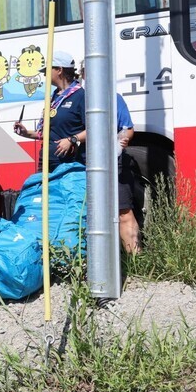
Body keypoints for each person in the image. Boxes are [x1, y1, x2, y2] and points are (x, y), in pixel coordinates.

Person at [78, 60, 140, 254]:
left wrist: (122, 140)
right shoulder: (78, 99)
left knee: (123, 211)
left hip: (112, 163)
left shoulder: (114, 98)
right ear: (82, 74)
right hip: (81, 163)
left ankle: (136, 261)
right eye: (88, 71)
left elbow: (127, 129)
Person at [13, 51, 85, 170]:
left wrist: (72, 140)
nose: (45, 75)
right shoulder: (55, 96)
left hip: (68, 163)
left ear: (59, 70)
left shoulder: (80, 95)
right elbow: (49, 133)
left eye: (47, 70)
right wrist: (26, 133)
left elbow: (94, 130)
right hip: (46, 160)